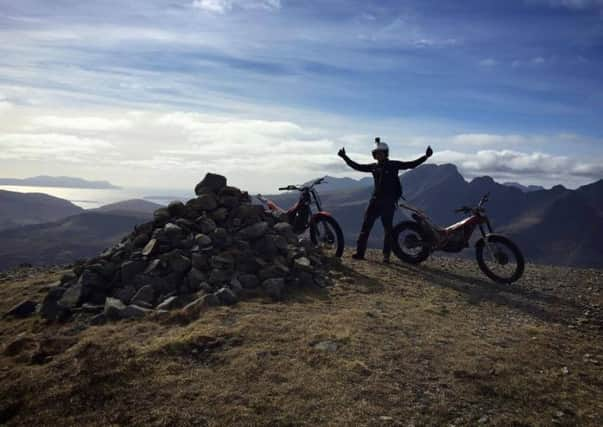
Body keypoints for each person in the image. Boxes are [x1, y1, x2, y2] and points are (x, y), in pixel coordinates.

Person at [338, 137, 433, 263]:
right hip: (375, 201)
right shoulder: (373, 167)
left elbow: (410, 164)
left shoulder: (394, 165)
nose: (378, 155)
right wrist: (345, 157)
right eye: (376, 153)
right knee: (366, 228)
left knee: (388, 230)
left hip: (388, 203)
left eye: (380, 153)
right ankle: (360, 253)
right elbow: (357, 166)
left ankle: (386, 256)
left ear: (385, 154)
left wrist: (425, 157)